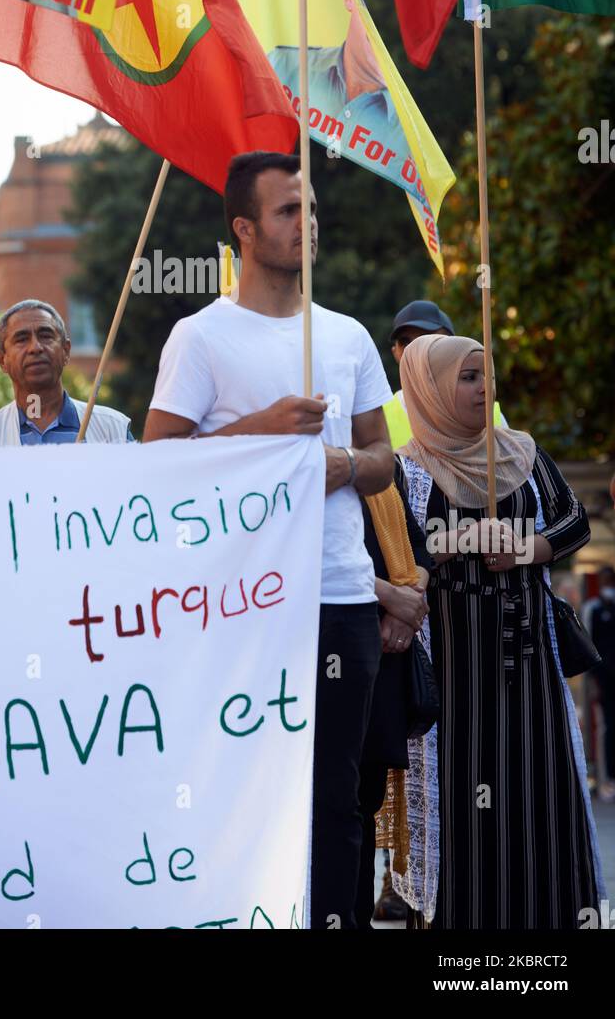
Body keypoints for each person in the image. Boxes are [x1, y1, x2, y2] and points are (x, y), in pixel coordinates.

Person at [143, 151, 395, 929]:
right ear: (244, 230)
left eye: (311, 208)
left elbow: (385, 462)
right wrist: (259, 433)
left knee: (339, 793)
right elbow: (155, 465)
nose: (308, 223)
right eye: (289, 211)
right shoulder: (200, 337)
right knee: (243, 788)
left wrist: (341, 466)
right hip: (241, 603)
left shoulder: (347, 336)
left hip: (341, 594)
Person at [394, 333, 602, 929]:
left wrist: (527, 549)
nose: (484, 388)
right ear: (429, 391)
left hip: (525, 660)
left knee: (537, 795)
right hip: (452, 670)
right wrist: (449, 544)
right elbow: (393, 559)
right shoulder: (405, 473)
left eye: (487, 375)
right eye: (466, 378)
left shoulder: (523, 454)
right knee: (460, 804)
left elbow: (573, 521)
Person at [355, 480, 430, 929]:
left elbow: (419, 556)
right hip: (326, 657)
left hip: (383, 662)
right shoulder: (301, 473)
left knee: (363, 800)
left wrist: (406, 602)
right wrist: (392, 597)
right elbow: (320, 559)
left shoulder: (379, 479)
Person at [269, 0, 408, 180]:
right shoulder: (281, 66)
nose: (383, 33)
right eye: (378, 14)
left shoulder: (407, 139)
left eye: (403, 27)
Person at [0, 299, 132, 447]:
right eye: (21, 339)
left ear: (66, 351)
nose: (36, 348)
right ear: (2, 360)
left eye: (45, 336)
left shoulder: (114, 430)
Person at [384, 299, 505, 449]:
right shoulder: (377, 418)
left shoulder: (488, 410)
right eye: (405, 342)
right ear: (395, 352)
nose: (414, 350)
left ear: (454, 347)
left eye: (429, 339)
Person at [588, 566, 615, 803]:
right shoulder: (594, 608)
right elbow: (589, 647)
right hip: (605, 678)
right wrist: (593, 682)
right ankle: (607, 779)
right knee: (607, 727)